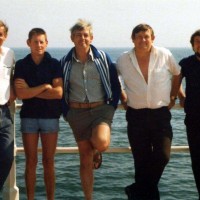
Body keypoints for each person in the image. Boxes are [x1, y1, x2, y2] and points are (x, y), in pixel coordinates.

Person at [116, 24, 181, 200]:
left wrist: (174, 95)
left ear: (153, 38)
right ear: (133, 39)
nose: (143, 40)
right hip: (136, 115)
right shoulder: (123, 59)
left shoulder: (164, 55)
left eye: (146, 36)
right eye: (139, 36)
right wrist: (122, 95)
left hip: (160, 115)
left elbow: (177, 73)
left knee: (163, 156)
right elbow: (113, 77)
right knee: (141, 163)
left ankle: (136, 189)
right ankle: (142, 194)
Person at [61, 19, 121, 200]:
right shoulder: (65, 62)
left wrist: (112, 106)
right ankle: (89, 197)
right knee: (85, 159)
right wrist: (67, 113)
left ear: (91, 37)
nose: (82, 38)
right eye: (78, 35)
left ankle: (97, 150)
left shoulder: (103, 58)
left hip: (101, 110)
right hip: (76, 113)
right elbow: (62, 89)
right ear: (72, 38)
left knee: (101, 142)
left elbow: (115, 84)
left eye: (85, 35)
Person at [13, 28, 63, 200]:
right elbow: (20, 94)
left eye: (42, 41)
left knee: (48, 162)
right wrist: (43, 87)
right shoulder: (21, 65)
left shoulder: (55, 63)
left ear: (47, 43)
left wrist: (30, 91)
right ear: (29, 43)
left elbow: (58, 93)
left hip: (50, 117)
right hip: (29, 117)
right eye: (35, 41)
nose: (39, 45)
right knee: (31, 162)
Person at [178, 29, 200, 200]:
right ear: (192, 45)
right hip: (193, 119)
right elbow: (175, 79)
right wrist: (180, 96)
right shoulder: (186, 63)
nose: (199, 44)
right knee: (197, 162)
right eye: (197, 41)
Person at [0, 20, 15, 190]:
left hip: (4, 113)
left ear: (5, 36)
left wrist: (13, 90)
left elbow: (11, 76)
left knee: (6, 156)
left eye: (0, 34)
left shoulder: (9, 54)